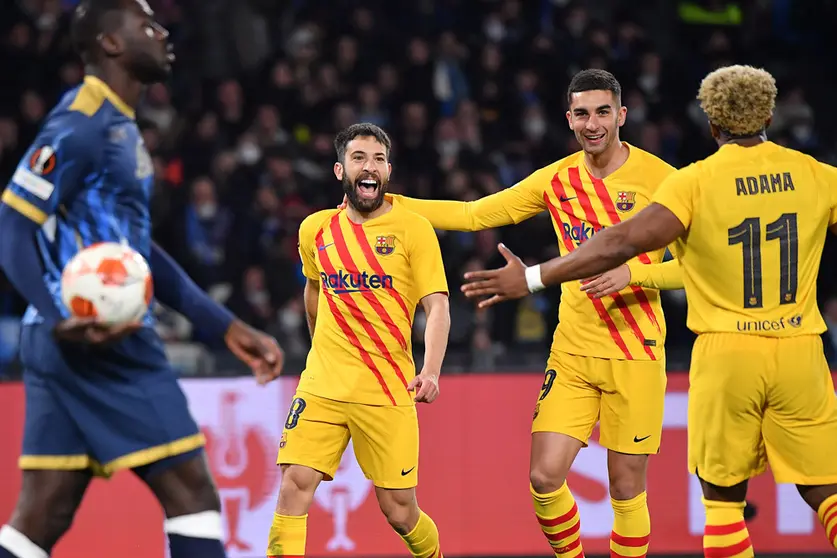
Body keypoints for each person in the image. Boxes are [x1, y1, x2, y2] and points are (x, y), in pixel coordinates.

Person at [461, 64, 837, 557]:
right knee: (826, 488)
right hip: (801, 350)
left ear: (712, 124)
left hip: (726, 352)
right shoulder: (817, 174)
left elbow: (620, 241)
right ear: (770, 114)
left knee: (723, 501)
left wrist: (534, 277)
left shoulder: (692, 181)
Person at [0, 2, 284, 558]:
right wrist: (61, 317)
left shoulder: (119, 126)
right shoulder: (81, 123)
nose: (162, 33)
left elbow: (138, 253)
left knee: (43, 514)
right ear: (110, 44)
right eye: (147, 26)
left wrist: (222, 326)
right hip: (101, 338)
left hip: (64, 339)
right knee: (193, 495)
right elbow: (11, 226)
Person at [381, 69, 683, 558]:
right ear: (568, 119)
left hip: (637, 353)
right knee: (544, 478)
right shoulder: (558, 180)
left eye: (603, 111)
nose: (593, 123)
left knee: (627, 490)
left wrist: (638, 276)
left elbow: (696, 272)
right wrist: (389, 202)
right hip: (574, 352)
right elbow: (475, 214)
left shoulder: (664, 180)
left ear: (622, 115)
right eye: (582, 113)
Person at [266, 123, 451, 558]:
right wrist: (319, 351)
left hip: (387, 390)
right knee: (294, 486)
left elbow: (438, 306)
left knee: (399, 510)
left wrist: (431, 370)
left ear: (388, 171)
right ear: (339, 170)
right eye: (359, 158)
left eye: (378, 159)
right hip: (323, 386)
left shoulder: (413, 229)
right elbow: (313, 289)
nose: (369, 167)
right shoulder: (315, 230)